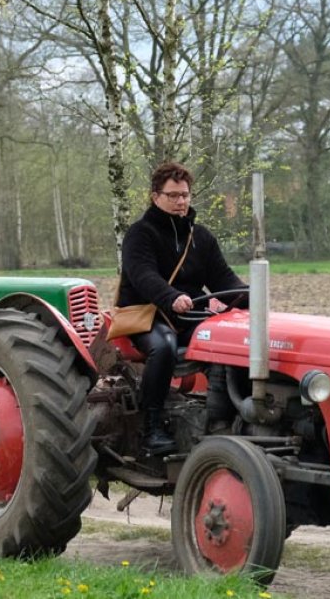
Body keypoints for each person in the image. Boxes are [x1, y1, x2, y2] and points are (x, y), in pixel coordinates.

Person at [116, 161, 247, 455]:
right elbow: (143, 275)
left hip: (189, 314)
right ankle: (151, 429)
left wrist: (250, 297)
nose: (181, 201)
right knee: (163, 345)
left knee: (231, 342)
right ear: (155, 197)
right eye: (173, 195)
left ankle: (224, 418)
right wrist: (170, 296)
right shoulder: (140, 234)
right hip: (147, 314)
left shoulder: (200, 237)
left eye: (185, 195)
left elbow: (222, 277)